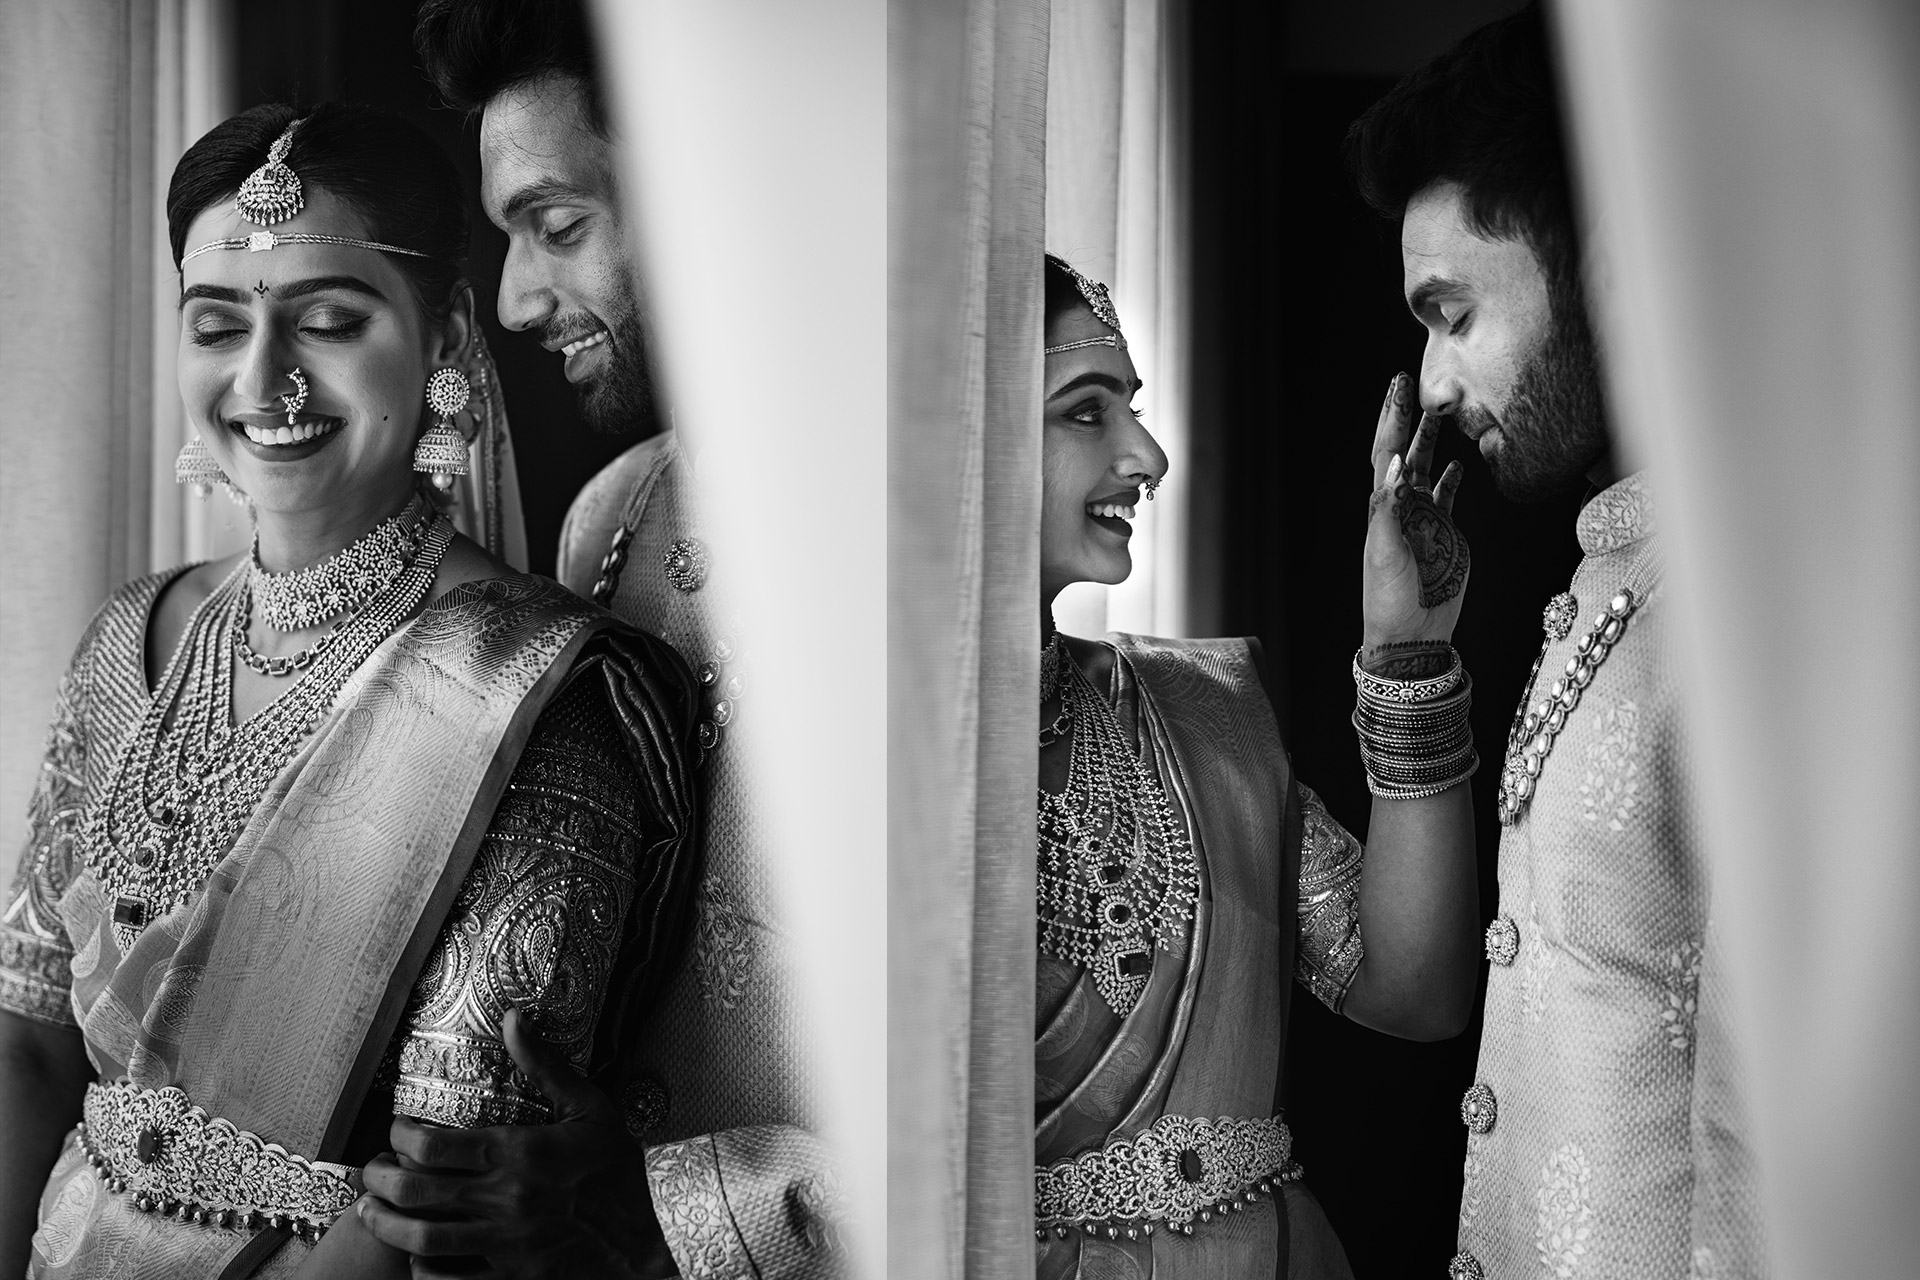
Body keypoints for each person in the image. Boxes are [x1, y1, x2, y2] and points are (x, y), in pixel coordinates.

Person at [0, 103, 703, 1279]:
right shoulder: (132, 636)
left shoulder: (532, 691)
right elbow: (26, 1045)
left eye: (327, 321)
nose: (263, 378)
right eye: (216, 325)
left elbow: (437, 1191)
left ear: (444, 338)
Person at [404, 4, 839, 1278]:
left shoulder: (936, 515)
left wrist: (686, 1209)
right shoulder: (615, 514)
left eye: (558, 225)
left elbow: (1029, 1057)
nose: (518, 301)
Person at [1346, 9, 1767, 1279]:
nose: (1425, 382)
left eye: (1453, 312)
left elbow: (1774, 1136)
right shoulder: (1622, 564)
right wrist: (1405, 648)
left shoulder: (1752, 601)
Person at [1032, 254, 1483, 1278]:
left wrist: (1406, 651)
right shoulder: (847, 767)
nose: (1147, 453)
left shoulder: (1202, 713)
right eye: (1085, 412)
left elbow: (1414, 989)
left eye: (1132, 409)